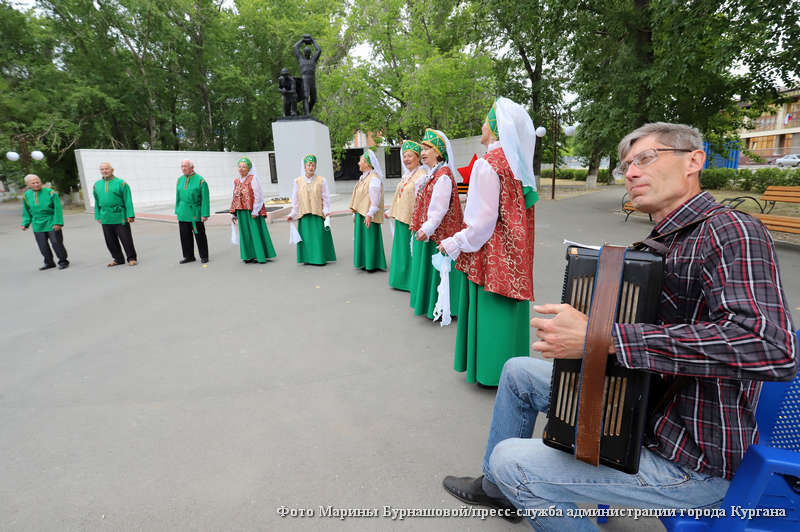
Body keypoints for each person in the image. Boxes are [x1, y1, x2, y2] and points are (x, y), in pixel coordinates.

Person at [442, 122, 798, 530]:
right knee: (518, 371)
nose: (630, 172)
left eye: (646, 158)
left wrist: (603, 337)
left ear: (694, 161)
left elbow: (769, 346)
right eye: (625, 164)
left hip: (692, 459)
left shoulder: (730, 231)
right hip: (645, 409)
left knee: (513, 461)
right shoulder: (669, 238)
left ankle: (515, 480)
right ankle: (497, 489)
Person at [439, 99, 536, 384]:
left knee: (492, 307)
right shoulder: (515, 164)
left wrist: (455, 242)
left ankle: (491, 370)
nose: (482, 126)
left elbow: (482, 221)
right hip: (515, 253)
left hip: (491, 252)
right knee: (508, 308)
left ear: (494, 129)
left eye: (485, 121)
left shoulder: (488, 164)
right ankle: (513, 370)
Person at [408, 129, 465, 320]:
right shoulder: (433, 173)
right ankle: (432, 305)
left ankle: (444, 307)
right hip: (433, 232)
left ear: (438, 152)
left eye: (427, 149)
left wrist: (426, 228)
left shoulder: (443, 176)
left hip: (439, 234)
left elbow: (439, 209)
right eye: (422, 149)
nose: (423, 153)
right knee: (431, 271)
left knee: (440, 271)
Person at [386, 140, 427, 291]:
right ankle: (400, 280)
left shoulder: (422, 176)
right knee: (401, 250)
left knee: (410, 251)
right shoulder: (408, 175)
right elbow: (400, 196)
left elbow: (420, 202)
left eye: (409, 156)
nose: (406, 159)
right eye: (404, 156)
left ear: (418, 158)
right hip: (401, 218)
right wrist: (391, 211)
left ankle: (410, 282)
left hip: (411, 220)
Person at [287, 154, 336, 265]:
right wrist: (292, 214)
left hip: (317, 215)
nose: (311, 167)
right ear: (304, 166)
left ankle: (319, 258)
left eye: (313, 165)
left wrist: (327, 212)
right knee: (307, 239)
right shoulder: (297, 181)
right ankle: (308, 258)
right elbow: (295, 200)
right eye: (308, 165)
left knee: (318, 238)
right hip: (304, 216)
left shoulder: (321, 180)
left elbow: (326, 198)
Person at [230, 157, 276, 264]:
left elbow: (258, 195)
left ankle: (259, 255)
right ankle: (248, 255)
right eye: (240, 166)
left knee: (255, 232)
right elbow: (235, 197)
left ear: (248, 169)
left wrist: (255, 210)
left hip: (251, 211)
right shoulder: (236, 181)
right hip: (241, 212)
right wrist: (233, 213)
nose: (241, 169)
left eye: (244, 167)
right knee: (245, 233)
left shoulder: (253, 179)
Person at [20, 174, 69, 270]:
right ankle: (49, 262)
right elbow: (26, 211)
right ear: (28, 184)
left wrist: (58, 222)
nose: (36, 184)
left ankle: (63, 261)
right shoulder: (26, 195)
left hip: (51, 221)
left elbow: (57, 209)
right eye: (33, 183)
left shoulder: (50, 192)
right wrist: (25, 223)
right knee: (42, 245)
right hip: (37, 223)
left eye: (37, 182)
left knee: (56, 243)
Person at [93, 162, 137, 267]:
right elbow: (96, 201)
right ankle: (118, 259)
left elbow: (128, 200)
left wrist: (130, 214)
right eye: (102, 169)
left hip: (120, 215)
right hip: (105, 216)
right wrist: (97, 215)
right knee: (110, 240)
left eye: (106, 169)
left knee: (126, 238)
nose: (104, 171)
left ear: (112, 170)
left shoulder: (121, 183)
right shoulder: (96, 185)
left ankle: (131, 258)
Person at [349, 149, 386, 271]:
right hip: (361, 213)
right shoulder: (363, 177)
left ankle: (372, 263)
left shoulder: (373, 178)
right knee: (363, 239)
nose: (358, 163)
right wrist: (355, 212)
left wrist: (370, 214)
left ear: (368, 164)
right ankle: (365, 262)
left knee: (369, 239)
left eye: (361, 161)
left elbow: (375, 199)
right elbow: (360, 197)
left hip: (368, 214)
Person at [175, 159, 210, 264]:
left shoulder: (200, 180)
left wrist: (204, 214)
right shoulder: (179, 180)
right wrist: (177, 210)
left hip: (195, 212)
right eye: (182, 166)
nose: (183, 168)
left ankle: (204, 255)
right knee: (184, 235)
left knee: (199, 235)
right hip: (183, 212)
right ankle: (189, 256)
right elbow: (178, 197)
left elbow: (205, 199)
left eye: (185, 166)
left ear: (192, 167)